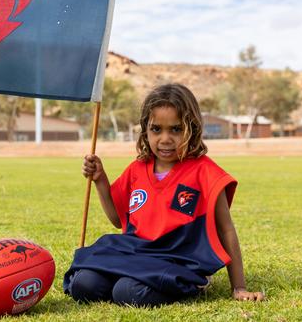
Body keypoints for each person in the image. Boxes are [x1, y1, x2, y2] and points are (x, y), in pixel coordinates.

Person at [63, 83, 265, 306]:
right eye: (156, 129)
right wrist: (100, 180)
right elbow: (116, 218)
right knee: (83, 284)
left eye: (176, 129)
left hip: (178, 258)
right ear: (145, 130)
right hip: (135, 253)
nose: (165, 138)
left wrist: (239, 287)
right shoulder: (137, 169)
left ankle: (193, 283)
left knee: (127, 292)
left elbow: (226, 230)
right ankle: (128, 278)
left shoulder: (205, 172)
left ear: (193, 128)